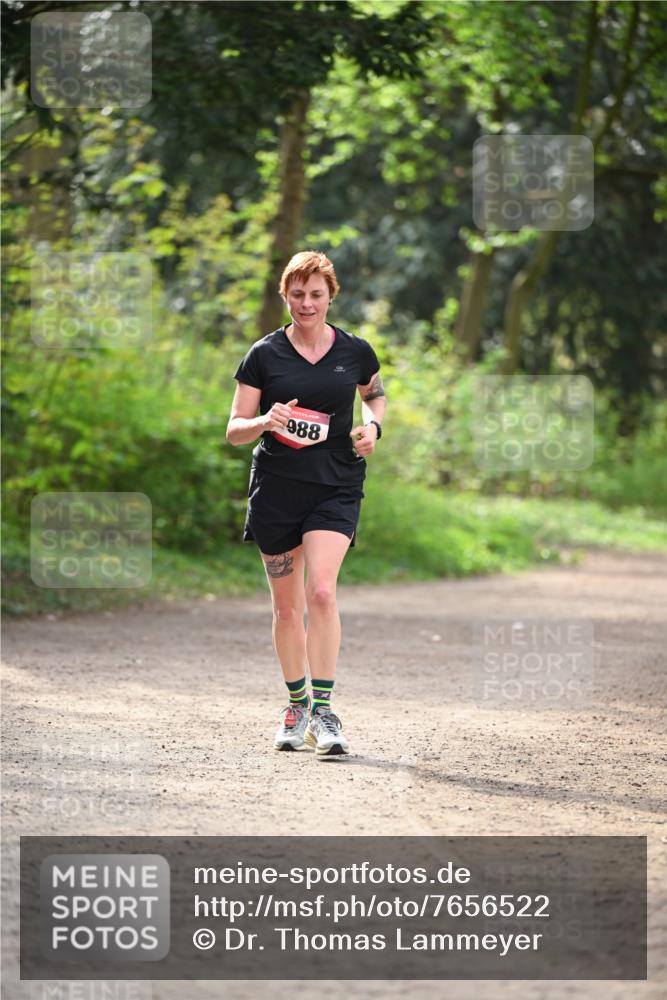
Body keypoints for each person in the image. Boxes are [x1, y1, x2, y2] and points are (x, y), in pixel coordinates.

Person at [226, 250, 386, 757]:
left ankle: (324, 711)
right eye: (297, 294)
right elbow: (234, 429)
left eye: (316, 294)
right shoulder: (263, 355)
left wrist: (373, 427)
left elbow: (374, 394)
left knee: (321, 592)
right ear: (285, 295)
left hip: (336, 483)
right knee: (287, 608)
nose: (307, 303)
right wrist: (265, 421)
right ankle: (295, 706)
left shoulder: (355, 350)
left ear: (330, 296)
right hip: (276, 487)